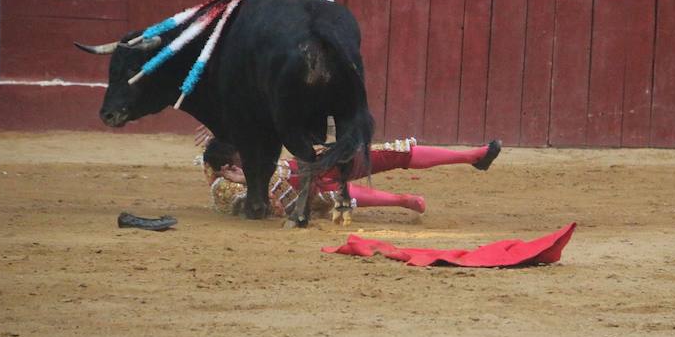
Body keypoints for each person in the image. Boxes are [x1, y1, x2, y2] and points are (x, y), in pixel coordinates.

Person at [196, 127, 502, 218]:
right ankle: (400, 200)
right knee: (341, 195)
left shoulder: (232, 169)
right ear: (229, 167)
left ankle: (472, 156)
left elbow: (207, 164)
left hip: (311, 164)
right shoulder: (225, 190)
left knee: (390, 152)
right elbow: (268, 210)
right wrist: (249, 182)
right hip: (312, 194)